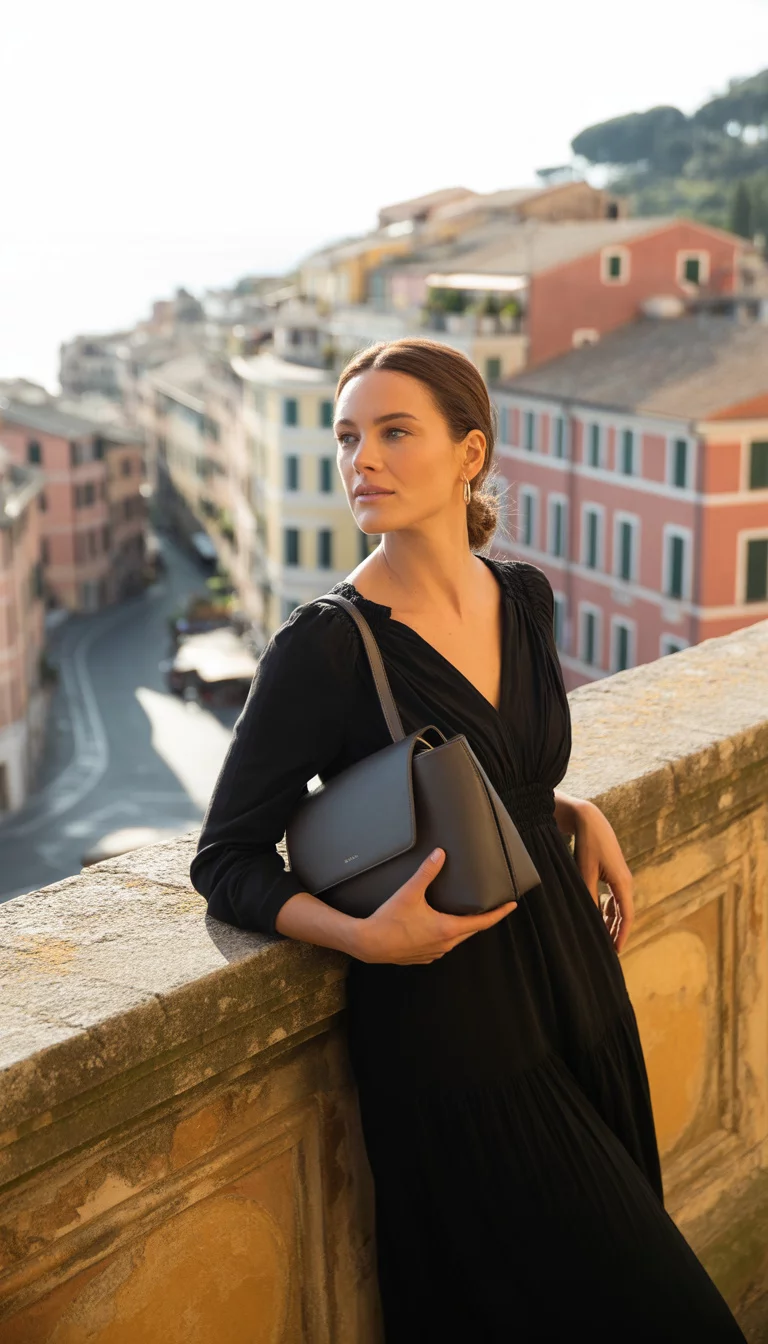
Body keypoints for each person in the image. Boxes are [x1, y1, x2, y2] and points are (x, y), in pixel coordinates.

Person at [190, 338, 747, 1341]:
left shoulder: (524, 598)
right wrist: (364, 939)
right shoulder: (325, 645)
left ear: (470, 453)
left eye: (394, 432)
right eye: (347, 437)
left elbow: (502, 770)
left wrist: (567, 809)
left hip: (580, 986)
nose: (361, 459)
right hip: (454, 1031)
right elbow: (224, 859)